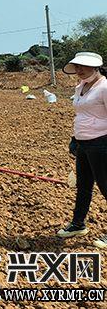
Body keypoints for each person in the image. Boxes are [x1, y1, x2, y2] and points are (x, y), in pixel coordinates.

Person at [56, 52, 107, 249]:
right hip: (84, 143)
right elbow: (82, 115)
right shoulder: (81, 86)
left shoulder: (104, 87)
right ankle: (78, 224)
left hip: (101, 143)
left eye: (82, 66)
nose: (78, 70)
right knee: (83, 185)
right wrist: (75, 139)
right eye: (76, 66)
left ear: (95, 67)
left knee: (105, 186)